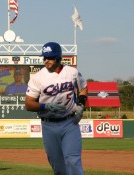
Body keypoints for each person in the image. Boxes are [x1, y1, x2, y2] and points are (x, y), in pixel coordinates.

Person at [25, 42, 88, 175]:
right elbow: (28, 104)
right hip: (49, 125)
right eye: (44, 58)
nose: (46, 60)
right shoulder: (38, 77)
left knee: (72, 161)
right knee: (58, 166)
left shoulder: (72, 72)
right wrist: (45, 106)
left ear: (58, 58)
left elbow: (83, 88)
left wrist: (81, 106)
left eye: (50, 57)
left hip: (70, 122)